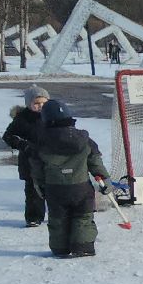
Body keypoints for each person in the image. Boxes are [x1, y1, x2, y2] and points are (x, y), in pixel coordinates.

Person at [31, 99, 109, 258]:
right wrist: (105, 181)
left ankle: (60, 248)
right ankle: (83, 247)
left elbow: (37, 169)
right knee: (83, 217)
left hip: (55, 188)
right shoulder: (84, 140)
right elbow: (95, 162)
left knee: (58, 219)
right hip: (81, 187)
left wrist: (40, 187)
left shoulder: (41, 142)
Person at [2, 86, 49, 227]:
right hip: (30, 160)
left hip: (50, 160)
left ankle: (58, 215)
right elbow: (8, 136)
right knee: (33, 191)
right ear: (29, 104)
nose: (40, 106)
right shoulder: (22, 119)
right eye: (36, 103)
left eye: (43, 103)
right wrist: (22, 145)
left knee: (55, 189)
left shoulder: (52, 115)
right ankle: (34, 217)